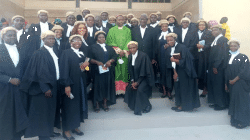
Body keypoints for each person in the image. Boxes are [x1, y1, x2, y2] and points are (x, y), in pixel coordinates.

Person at [20, 30, 60, 140]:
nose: (52, 40)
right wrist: (45, 88)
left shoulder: (53, 51)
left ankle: (48, 132)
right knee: (42, 114)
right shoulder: (39, 53)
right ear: (43, 40)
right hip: (43, 90)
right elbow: (38, 72)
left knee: (49, 112)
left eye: (53, 38)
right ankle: (44, 137)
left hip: (53, 86)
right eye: (49, 38)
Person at [0, 27, 29, 140]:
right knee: (5, 114)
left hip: (19, 88)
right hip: (4, 88)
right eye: (9, 35)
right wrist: (8, 79)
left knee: (18, 114)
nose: (12, 37)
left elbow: (24, 67)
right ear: (3, 36)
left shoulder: (20, 48)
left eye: (14, 35)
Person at [60, 35, 89, 140]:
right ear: (70, 42)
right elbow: (63, 70)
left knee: (78, 105)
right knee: (69, 106)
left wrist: (87, 65)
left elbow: (85, 69)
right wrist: (66, 85)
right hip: (71, 84)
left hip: (80, 83)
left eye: (80, 40)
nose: (78, 42)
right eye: (75, 40)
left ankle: (75, 126)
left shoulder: (82, 54)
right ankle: (66, 130)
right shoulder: (66, 53)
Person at [165, 33, 200, 112]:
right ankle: (178, 104)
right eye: (168, 41)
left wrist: (174, 60)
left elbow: (182, 62)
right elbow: (174, 63)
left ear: (175, 39)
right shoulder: (170, 48)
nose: (169, 42)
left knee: (183, 88)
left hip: (185, 71)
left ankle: (183, 106)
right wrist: (175, 73)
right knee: (177, 87)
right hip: (178, 70)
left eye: (171, 40)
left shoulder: (181, 47)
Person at [89, 31, 117, 112]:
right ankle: (97, 104)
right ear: (96, 39)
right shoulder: (92, 47)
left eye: (103, 37)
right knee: (97, 87)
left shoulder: (109, 47)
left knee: (106, 86)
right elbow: (88, 58)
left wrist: (110, 61)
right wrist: (97, 62)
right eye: (99, 37)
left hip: (108, 71)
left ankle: (105, 103)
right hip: (97, 71)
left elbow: (115, 56)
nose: (102, 39)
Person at [225, 39, 250, 129]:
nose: (233, 47)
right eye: (231, 46)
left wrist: (235, 80)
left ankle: (243, 122)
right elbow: (227, 71)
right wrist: (226, 83)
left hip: (241, 83)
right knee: (234, 102)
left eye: (235, 46)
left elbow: (244, 71)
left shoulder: (243, 57)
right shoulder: (229, 56)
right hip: (231, 84)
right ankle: (235, 120)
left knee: (241, 102)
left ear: (238, 47)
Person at [124, 41, 154, 116]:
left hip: (145, 78)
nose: (132, 49)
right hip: (136, 78)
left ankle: (148, 105)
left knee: (140, 89)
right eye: (130, 48)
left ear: (137, 47)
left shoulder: (143, 56)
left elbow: (144, 71)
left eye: (133, 47)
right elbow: (130, 70)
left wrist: (137, 82)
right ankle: (134, 105)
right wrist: (133, 81)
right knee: (130, 88)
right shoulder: (130, 56)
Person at [106, 15, 131, 96]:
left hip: (125, 54)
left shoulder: (127, 30)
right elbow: (109, 41)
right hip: (115, 54)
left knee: (125, 71)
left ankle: (124, 91)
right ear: (116, 20)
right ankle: (117, 91)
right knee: (116, 72)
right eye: (118, 19)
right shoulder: (111, 30)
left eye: (122, 20)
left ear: (124, 21)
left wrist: (123, 50)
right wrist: (118, 50)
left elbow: (129, 40)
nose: (120, 21)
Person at [207, 24, 229, 110]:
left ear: (220, 30)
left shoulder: (223, 39)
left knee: (219, 85)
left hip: (219, 67)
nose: (213, 32)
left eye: (215, 30)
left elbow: (222, 54)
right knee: (215, 85)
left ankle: (221, 104)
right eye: (212, 30)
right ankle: (217, 102)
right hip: (214, 66)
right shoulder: (216, 39)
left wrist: (216, 66)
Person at [193, 20, 214, 98]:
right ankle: (196, 90)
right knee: (196, 72)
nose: (201, 26)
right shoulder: (195, 32)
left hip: (205, 55)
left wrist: (203, 47)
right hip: (196, 55)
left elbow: (210, 43)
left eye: (203, 25)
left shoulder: (208, 33)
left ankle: (205, 90)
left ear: (205, 26)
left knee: (204, 72)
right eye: (200, 25)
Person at [155, 20, 172, 99]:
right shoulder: (158, 34)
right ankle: (164, 91)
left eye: (166, 26)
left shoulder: (171, 34)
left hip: (169, 57)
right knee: (162, 74)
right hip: (161, 57)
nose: (164, 28)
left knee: (169, 75)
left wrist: (169, 45)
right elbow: (155, 46)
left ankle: (169, 92)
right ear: (161, 27)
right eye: (163, 26)